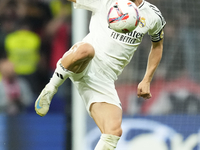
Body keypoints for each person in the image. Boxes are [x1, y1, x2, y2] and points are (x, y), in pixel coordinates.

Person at [35, 0, 166, 149]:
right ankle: (50, 88)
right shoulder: (107, 1)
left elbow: (157, 46)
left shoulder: (153, 15)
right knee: (86, 50)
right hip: (82, 62)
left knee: (113, 132)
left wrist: (147, 79)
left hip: (104, 80)